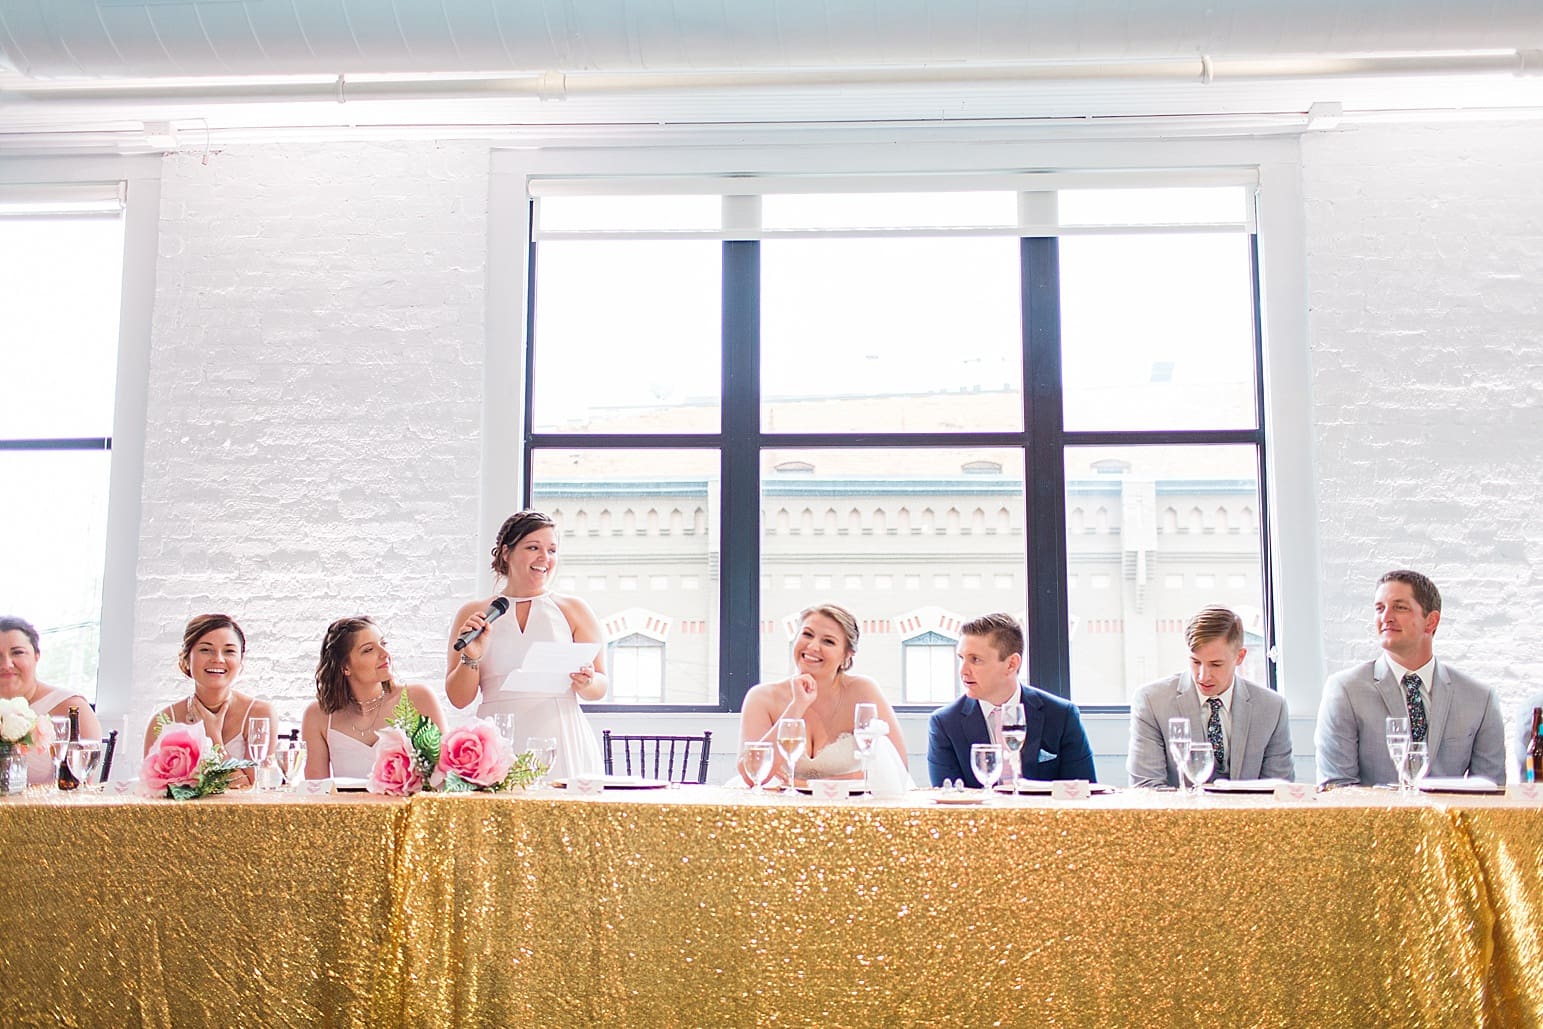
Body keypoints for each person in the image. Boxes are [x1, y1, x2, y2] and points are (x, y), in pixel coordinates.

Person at [445, 510, 605, 779]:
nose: (545, 558)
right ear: (506, 553)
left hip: (561, 739)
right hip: (496, 742)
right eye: (534, 547)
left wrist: (587, 682)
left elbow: (601, 686)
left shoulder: (574, 609)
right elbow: (459, 699)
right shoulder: (473, 613)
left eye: (552, 550)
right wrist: (471, 657)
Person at [1315, 570, 1506, 787]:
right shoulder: (1345, 691)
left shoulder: (1480, 699)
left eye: (1400, 607)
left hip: (1451, 821)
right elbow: (1337, 789)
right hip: (1372, 820)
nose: (1385, 617)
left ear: (1431, 621)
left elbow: (1490, 792)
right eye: (1379, 608)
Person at [737, 602, 909, 787]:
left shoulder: (863, 690)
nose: (812, 646)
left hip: (851, 810)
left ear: (847, 655)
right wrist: (797, 706)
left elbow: (897, 769)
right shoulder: (761, 697)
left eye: (828, 641)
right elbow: (752, 774)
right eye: (807, 634)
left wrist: (804, 784)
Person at [1126, 605, 1293, 788]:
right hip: (1179, 816)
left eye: (1216, 664)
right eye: (1196, 662)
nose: (1203, 676)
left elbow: (1279, 791)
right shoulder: (1152, 702)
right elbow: (1146, 789)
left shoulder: (1272, 708)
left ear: (1240, 656)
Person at [928, 612, 1096, 788]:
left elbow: (1084, 793)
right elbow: (948, 803)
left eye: (975, 660)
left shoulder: (1061, 715)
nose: (963, 671)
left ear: (1011, 664)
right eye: (961, 658)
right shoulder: (945, 723)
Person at [301, 615, 446, 780]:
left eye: (383, 644)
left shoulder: (419, 698)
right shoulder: (318, 715)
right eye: (368, 650)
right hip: (346, 806)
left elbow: (445, 775)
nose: (385, 654)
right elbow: (317, 792)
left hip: (411, 805)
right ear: (345, 667)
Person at [144, 614, 274, 787]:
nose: (218, 659)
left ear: (241, 661)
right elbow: (152, 790)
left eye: (229, 651)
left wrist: (213, 737)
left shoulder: (260, 714)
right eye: (206, 650)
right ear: (187, 658)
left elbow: (251, 788)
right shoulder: (164, 720)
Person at [0, 615, 103, 785]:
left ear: (36, 655)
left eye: (17, 652)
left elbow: (81, 790)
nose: (6, 664)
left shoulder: (71, 708)